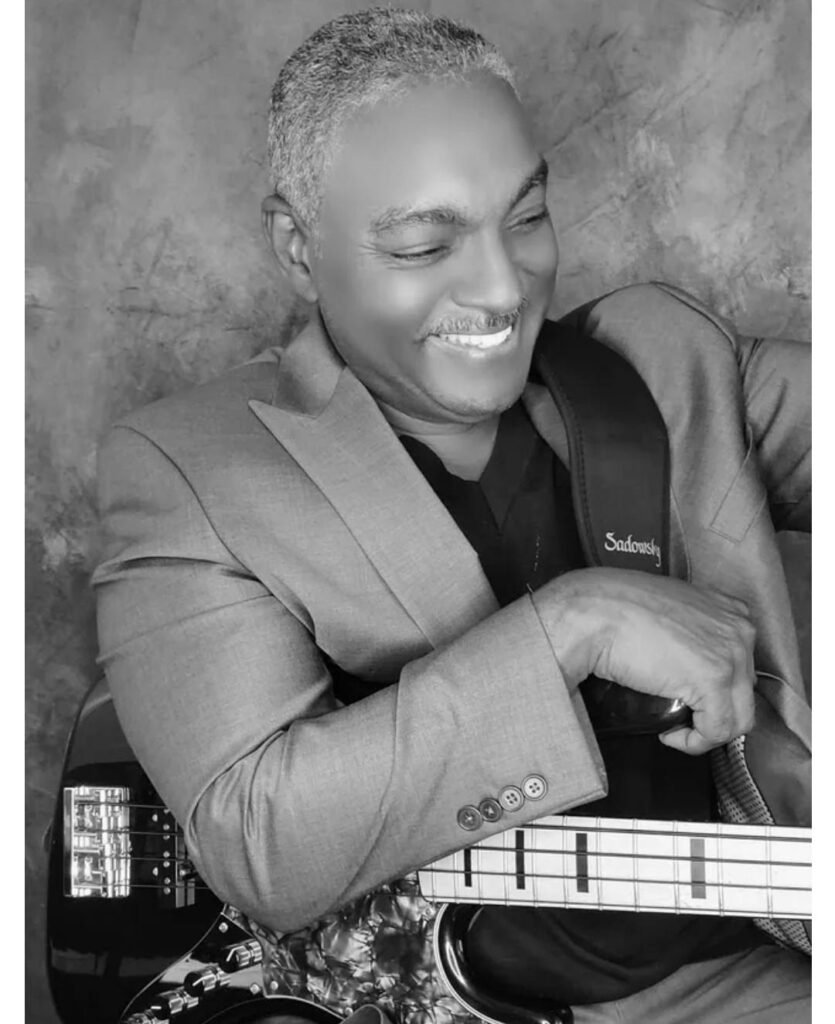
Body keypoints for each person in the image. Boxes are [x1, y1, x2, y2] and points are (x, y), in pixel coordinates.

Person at [92, 8, 811, 1023]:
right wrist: (575, 623)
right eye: (426, 243)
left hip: (746, 962)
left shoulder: (661, 358)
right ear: (298, 249)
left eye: (525, 218)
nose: (501, 286)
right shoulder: (193, 466)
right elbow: (259, 840)